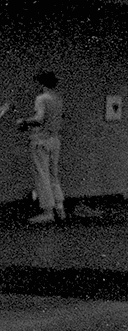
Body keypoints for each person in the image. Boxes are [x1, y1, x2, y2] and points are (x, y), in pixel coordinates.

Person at [18, 71, 64, 224]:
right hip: (54, 140)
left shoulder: (41, 98)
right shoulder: (57, 98)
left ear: (41, 83)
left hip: (41, 142)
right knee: (53, 174)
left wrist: (24, 121)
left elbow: (39, 119)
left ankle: (47, 212)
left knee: (42, 175)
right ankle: (60, 209)